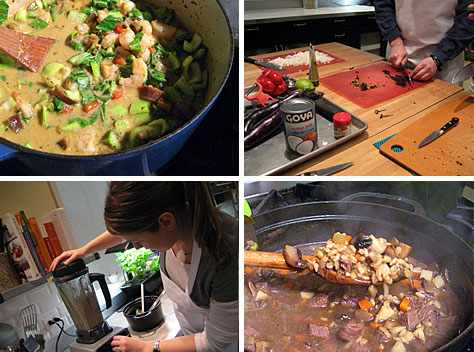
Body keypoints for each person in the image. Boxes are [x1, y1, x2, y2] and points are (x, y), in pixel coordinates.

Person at [50, 182, 238, 352]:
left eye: (138, 241)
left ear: (166, 222)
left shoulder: (223, 251)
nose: (137, 247)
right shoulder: (175, 226)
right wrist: (84, 250)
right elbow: (124, 232)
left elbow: (215, 342)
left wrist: (147, 348)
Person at [373, 0, 474, 83]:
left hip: (445, 62)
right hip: (398, 55)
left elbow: (467, 21)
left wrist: (438, 57)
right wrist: (394, 40)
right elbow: (383, 4)